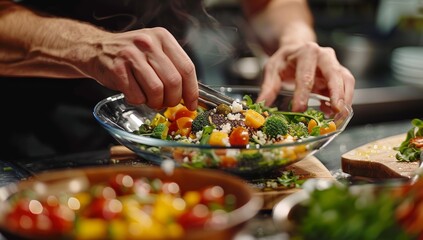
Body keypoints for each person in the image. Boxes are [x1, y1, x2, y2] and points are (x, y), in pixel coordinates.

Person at [0, 0, 354, 159]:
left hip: (174, 100)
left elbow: (268, 5)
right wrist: (89, 45)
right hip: (33, 128)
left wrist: (294, 40)